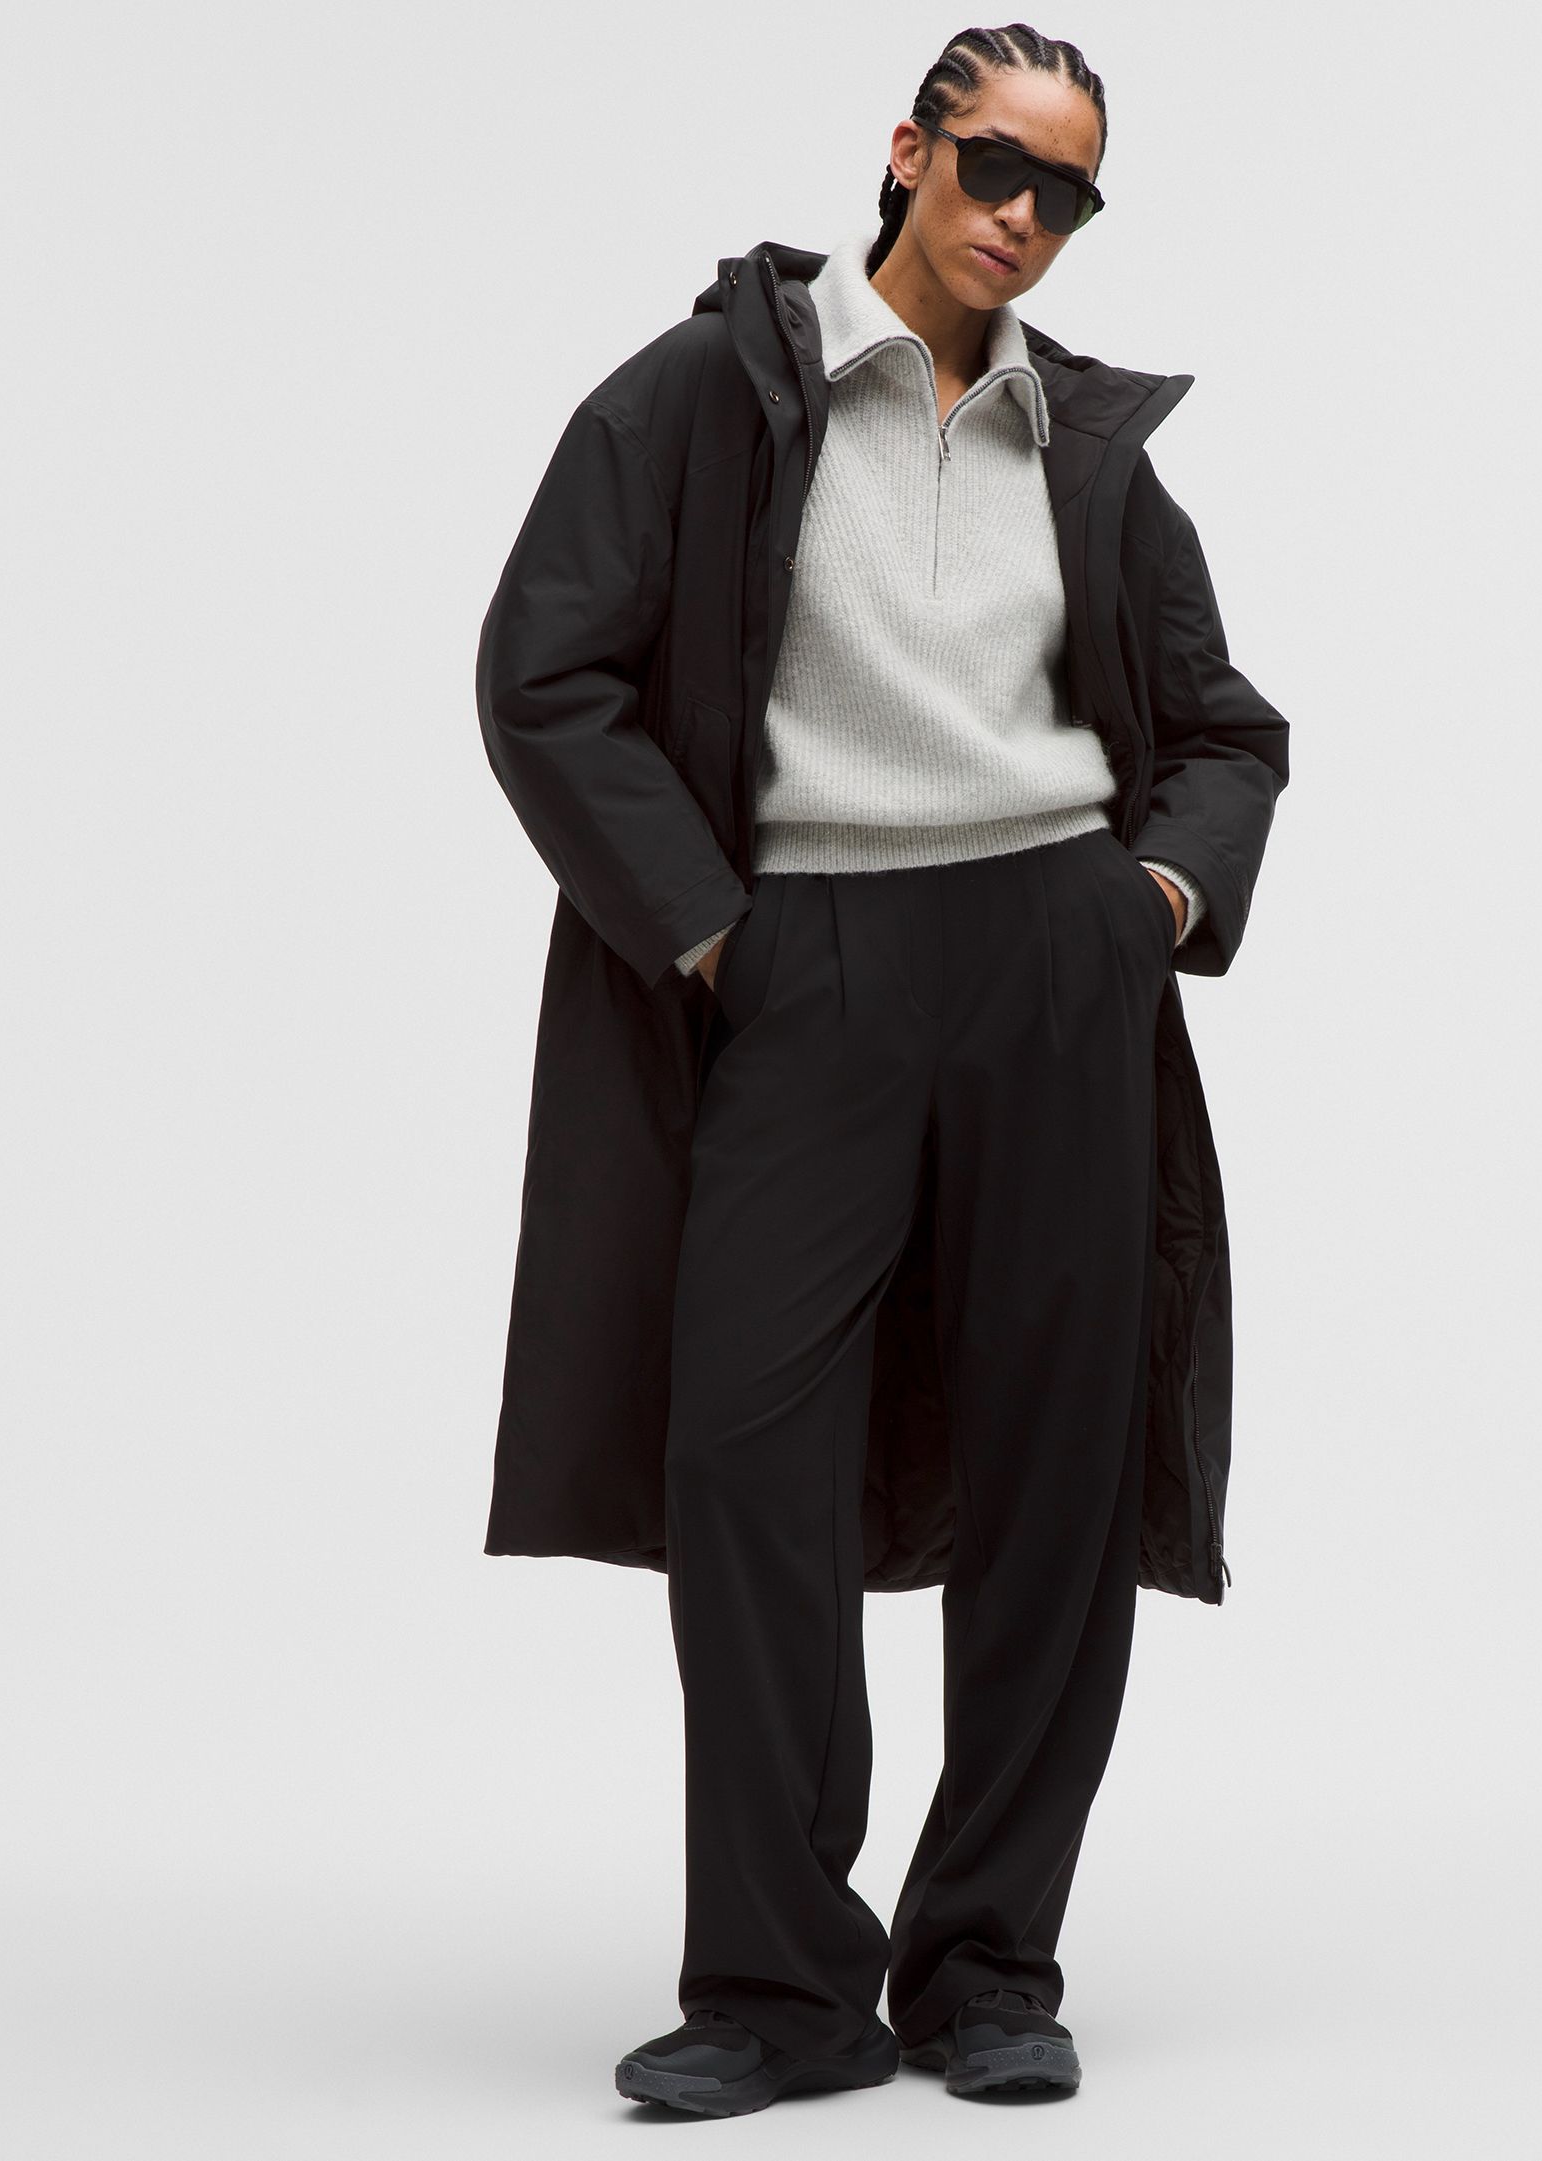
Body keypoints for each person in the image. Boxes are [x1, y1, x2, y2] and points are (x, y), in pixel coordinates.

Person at [475, 22, 1289, 2120]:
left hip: (1057, 967)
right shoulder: (709, 393)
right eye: (995, 164)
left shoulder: (1086, 444)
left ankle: (991, 1966)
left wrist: (1152, 900)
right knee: (749, 1467)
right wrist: (713, 928)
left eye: (1068, 192)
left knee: (1054, 1471)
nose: (1026, 215)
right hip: (805, 961)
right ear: (908, 150)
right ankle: (776, 1991)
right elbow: (543, 671)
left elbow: (1224, 728)